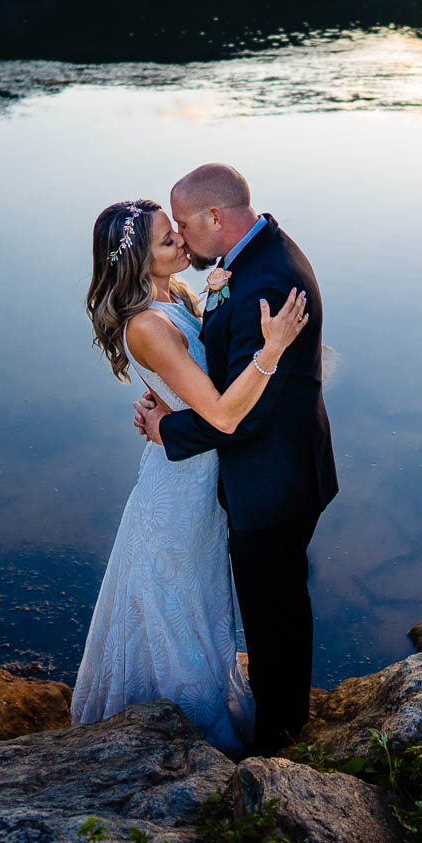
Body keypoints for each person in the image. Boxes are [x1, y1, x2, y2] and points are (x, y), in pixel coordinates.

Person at [71, 197, 309, 758]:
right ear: (138, 263)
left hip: (202, 476)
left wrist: (214, 300)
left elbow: (200, 371)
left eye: (175, 230)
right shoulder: (148, 327)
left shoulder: (175, 296)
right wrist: (272, 350)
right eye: (166, 240)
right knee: (174, 611)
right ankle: (187, 734)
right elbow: (223, 414)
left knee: (201, 602)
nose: (181, 239)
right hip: (178, 492)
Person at [135, 164, 337, 755]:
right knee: (276, 608)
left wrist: (169, 428)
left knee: (273, 618)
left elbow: (240, 414)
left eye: (182, 225)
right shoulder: (252, 257)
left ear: (215, 219)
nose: (178, 236)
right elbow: (222, 370)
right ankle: (284, 721)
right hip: (275, 469)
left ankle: (281, 742)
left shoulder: (265, 281)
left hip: (272, 482)